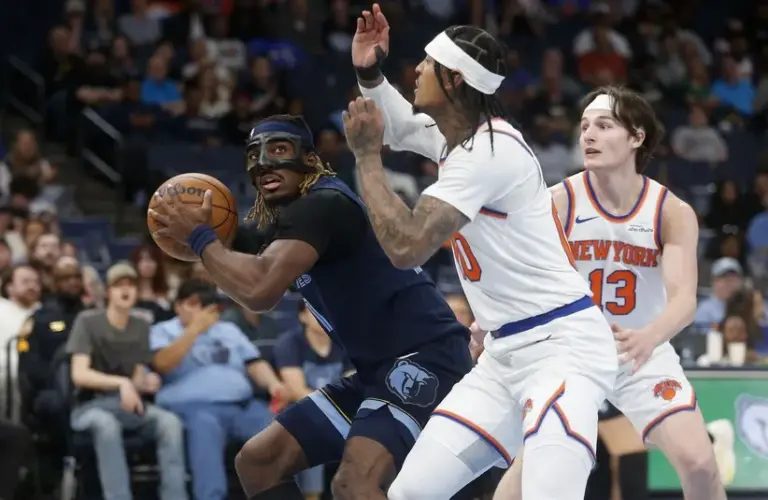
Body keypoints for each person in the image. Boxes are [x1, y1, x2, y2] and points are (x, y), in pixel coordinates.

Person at [344, 6, 617, 500]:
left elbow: (405, 247)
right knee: (411, 494)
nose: (416, 71)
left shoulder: (488, 154)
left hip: (563, 351)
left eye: (426, 64)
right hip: (503, 354)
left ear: (452, 80)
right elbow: (401, 127)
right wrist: (369, 71)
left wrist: (365, 158)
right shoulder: (460, 138)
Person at [146, 112, 472, 500]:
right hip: (377, 370)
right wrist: (203, 234)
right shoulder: (294, 219)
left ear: (310, 160)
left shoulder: (325, 204)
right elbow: (248, 261)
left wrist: (201, 237)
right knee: (260, 461)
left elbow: (261, 289)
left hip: (426, 358)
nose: (264, 161)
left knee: (353, 482)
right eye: (254, 154)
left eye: (279, 149)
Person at [496, 87, 726, 499]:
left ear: (637, 137)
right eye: (584, 126)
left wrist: (648, 338)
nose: (589, 135)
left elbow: (684, 300)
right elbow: (517, 275)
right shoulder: (557, 202)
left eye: (604, 126)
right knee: (521, 481)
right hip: (572, 354)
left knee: (701, 464)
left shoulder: (669, 211)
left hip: (640, 347)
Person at [67, 263, 188, 500]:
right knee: (106, 425)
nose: (126, 290)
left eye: (131, 285)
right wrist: (122, 384)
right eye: (118, 285)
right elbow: (79, 374)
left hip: (128, 404)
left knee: (170, 423)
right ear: (108, 291)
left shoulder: (141, 325)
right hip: (90, 406)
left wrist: (145, 382)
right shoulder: (87, 321)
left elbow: (138, 373)